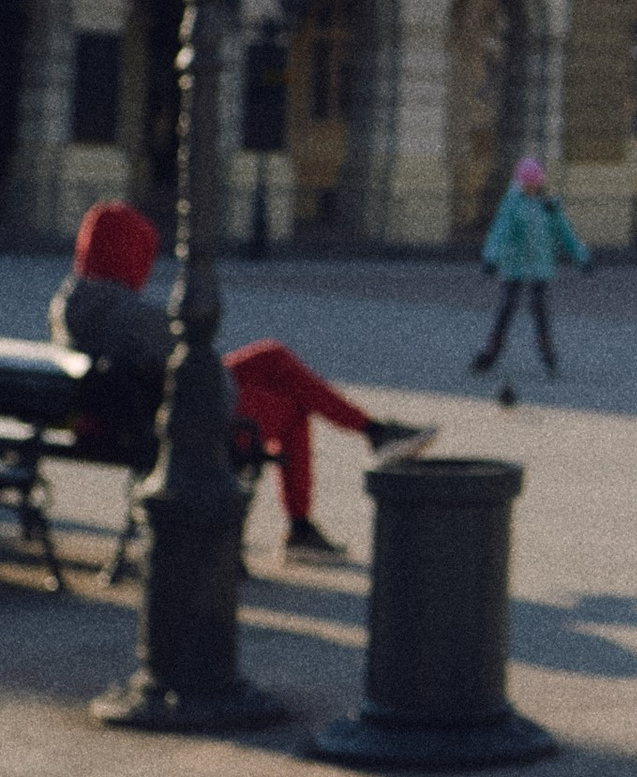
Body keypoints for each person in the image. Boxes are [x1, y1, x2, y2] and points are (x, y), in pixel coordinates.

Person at [49, 198, 433, 558]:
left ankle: (373, 434)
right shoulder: (132, 316)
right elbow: (206, 382)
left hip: (133, 407)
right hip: (176, 416)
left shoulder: (71, 303)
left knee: (272, 356)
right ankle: (321, 497)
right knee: (291, 406)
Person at [470, 156, 589, 382]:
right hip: (514, 266)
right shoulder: (512, 203)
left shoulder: (549, 205)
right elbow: (500, 231)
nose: (531, 186)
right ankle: (491, 351)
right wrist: (491, 257)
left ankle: (547, 353)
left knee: (539, 311)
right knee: (506, 309)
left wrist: (581, 257)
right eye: (527, 182)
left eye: (534, 182)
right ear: (520, 182)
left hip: (539, 267)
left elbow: (565, 232)